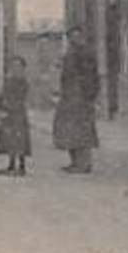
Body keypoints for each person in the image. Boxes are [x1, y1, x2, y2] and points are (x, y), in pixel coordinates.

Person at [53, 27, 101, 174]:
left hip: (80, 95)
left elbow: (92, 76)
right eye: (72, 37)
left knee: (82, 130)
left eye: (78, 36)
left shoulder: (85, 53)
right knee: (67, 129)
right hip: (69, 95)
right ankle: (75, 162)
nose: (75, 39)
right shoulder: (69, 53)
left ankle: (84, 164)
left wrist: (90, 95)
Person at [0, 55, 32, 176]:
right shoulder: (8, 80)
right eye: (13, 66)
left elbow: (21, 98)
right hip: (7, 113)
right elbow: (2, 95)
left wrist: (10, 106)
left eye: (18, 66)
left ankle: (21, 166)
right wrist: (1, 107)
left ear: (23, 68)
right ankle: (11, 165)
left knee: (19, 140)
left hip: (17, 113)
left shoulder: (23, 82)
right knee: (8, 140)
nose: (15, 69)